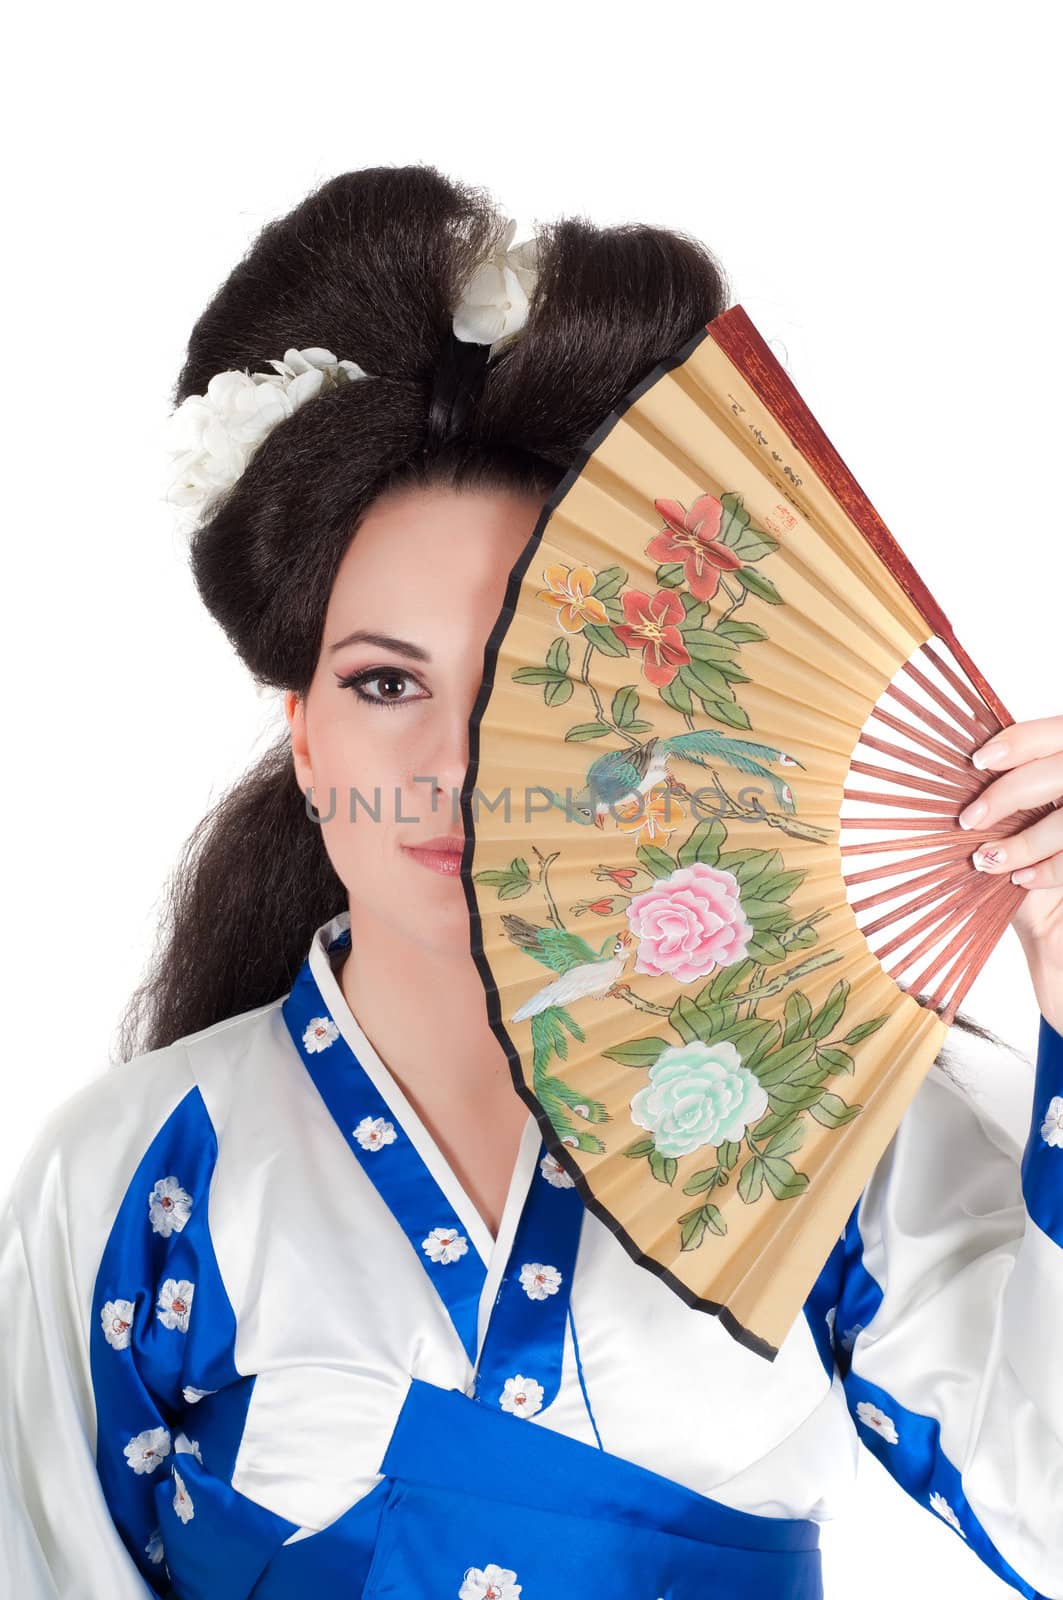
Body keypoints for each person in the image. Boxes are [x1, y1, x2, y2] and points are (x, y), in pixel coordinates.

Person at [1, 165, 1060, 1600]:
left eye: (528, 683)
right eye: (386, 684)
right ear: (306, 739)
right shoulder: (133, 1170)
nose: (459, 765)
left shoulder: (829, 1113)